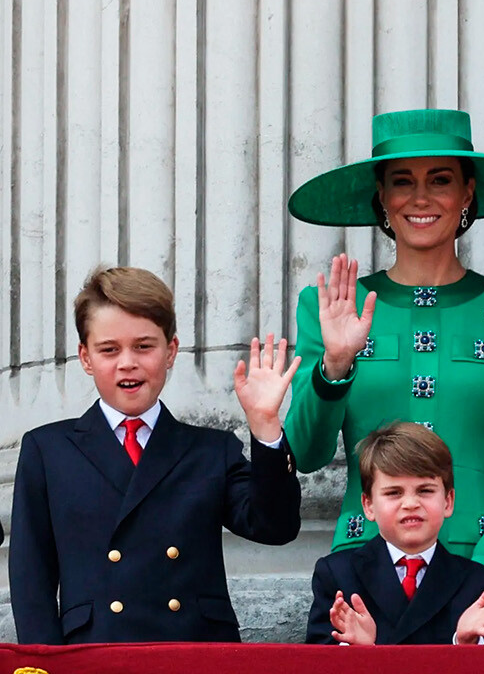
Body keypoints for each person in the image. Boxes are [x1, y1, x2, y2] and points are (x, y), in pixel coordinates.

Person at [286, 109, 484, 641]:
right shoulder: (331, 306)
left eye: (440, 180)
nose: (420, 197)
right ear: (381, 197)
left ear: (467, 193)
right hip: (363, 572)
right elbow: (308, 451)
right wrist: (335, 365)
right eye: (402, 182)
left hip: (479, 577)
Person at [9, 266, 301, 643]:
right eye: (109, 349)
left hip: (195, 657)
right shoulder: (48, 450)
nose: (127, 362)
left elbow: (275, 527)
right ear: (85, 358)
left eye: (144, 346)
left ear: (171, 351)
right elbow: (31, 576)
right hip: (94, 657)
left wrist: (265, 427)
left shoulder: (211, 449)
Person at [306, 422, 484, 645]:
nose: (411, 503)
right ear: (368, 505)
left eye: (425, 491)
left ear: (448, 501)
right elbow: (316, 669)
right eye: (394, 493)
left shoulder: (478, 583)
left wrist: (463, 644)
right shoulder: (338, 575)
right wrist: (360, 652)